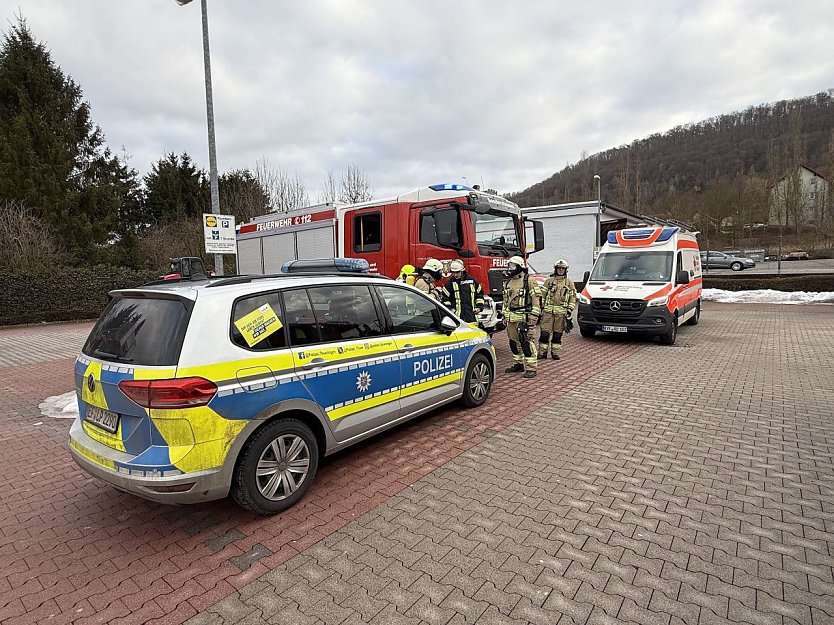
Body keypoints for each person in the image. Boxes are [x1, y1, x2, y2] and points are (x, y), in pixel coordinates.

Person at [502, 255, 541, 379]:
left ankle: (531, 368)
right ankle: (518, 364)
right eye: (510, 265)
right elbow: (505, 301)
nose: (510, 268)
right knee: (513, 343)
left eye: (513, 266)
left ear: (520, 267)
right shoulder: (508, 282)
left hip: (524, 318)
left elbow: (536, 300)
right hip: (511, 318)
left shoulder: (529, 280)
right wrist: (504, 315)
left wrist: (534, 316)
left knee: (526, 343)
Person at [538, 258, 576, 360]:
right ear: (555, 269)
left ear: (565, 270)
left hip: (561, 314)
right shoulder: (549, 281)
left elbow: (573, 298)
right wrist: (541, 308)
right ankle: (542, 353)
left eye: (562, 268)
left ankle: (555, 353)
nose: (560, 270)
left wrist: (569, 310)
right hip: (547, 313)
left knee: (557, 335)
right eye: (558, 268)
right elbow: (542, 295)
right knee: (544, 333)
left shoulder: (569, 283)